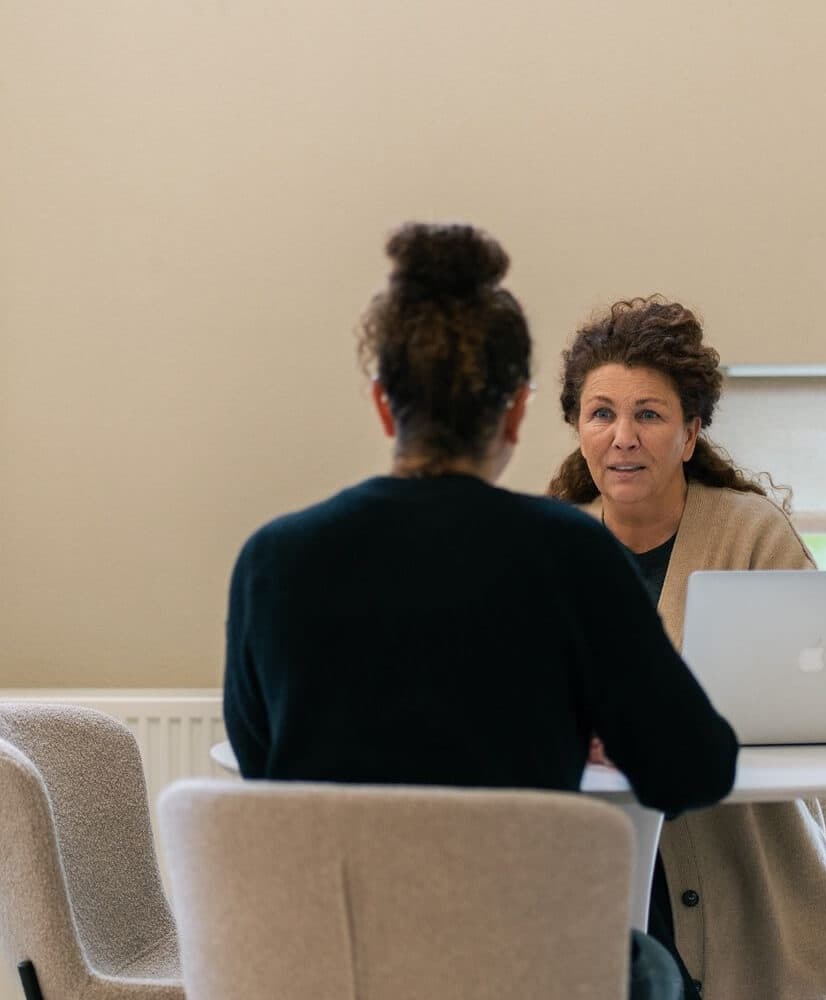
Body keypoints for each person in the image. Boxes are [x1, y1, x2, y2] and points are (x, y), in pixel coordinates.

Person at [223, 225, 739, 1000]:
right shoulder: (572, 555)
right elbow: (694, 768)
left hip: (338, 973)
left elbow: (267, 778)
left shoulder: (272, 561)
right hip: (525, 970)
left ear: (381, 402)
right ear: (516, 413)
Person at [549, 296, 826, 1000]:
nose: (623, 436)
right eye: (602, 413)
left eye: (650, 414)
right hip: (608, 889)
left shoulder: (751, 535)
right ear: (579, 428)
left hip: (751, 893)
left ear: (690, 435)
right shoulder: (551, 546)